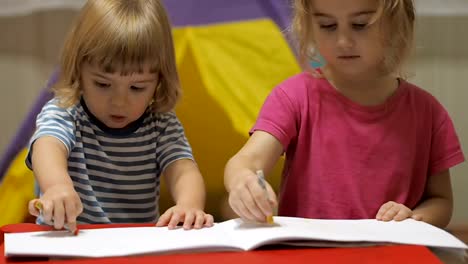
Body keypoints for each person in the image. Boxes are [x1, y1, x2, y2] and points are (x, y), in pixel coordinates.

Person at [224, 0, 464, 228]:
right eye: (327, 26)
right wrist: (241, 181)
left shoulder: (428, 112)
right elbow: (247, 160)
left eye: (360, 25)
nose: (343, 41)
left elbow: (441, 201)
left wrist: (414, 219)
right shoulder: (293, 96)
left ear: (395, 23)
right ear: (308, 25)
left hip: (391, 252)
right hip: (309, 253)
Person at [27, 0, 213, 232]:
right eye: (103, 84)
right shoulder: (66, 112)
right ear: (78, 70)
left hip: (132, 247)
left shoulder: (161, 124)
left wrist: (189, 205)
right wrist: (56, 186)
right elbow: (47, 146)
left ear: (159, 81)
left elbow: (184, 170)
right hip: (69, 242)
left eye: (137, 88)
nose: (119, 101)